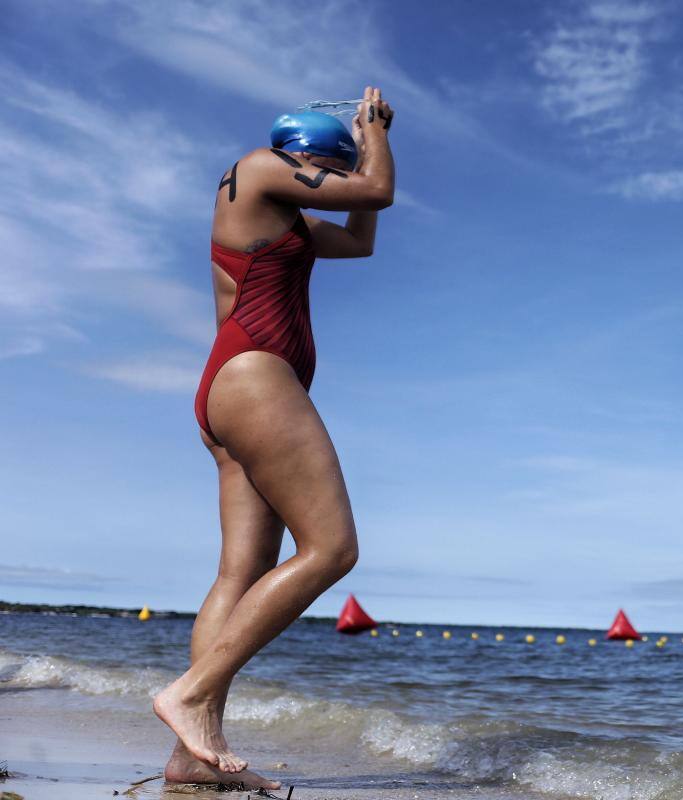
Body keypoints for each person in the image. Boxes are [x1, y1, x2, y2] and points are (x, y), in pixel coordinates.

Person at [153, 86, 395, 789]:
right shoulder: (258, 165)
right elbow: (374, 189)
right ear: (308, 158)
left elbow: (359, 237)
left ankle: (189, 758)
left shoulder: (283, 220)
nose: (329, 185)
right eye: (329, 171)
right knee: (332, 549)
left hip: (235, 386)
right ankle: (191, 695)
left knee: (241, 571)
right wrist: (376, 129)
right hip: (255, 378)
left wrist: (364, 160)